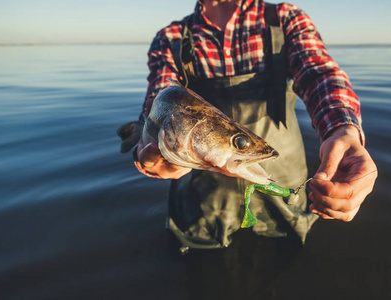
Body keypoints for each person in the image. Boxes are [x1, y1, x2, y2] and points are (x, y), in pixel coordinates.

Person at [120, 0, 377, 252]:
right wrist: (152, 151)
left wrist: (342, 130)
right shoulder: (171, 37)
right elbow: (161, 95)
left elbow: (319, 74)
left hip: (283, 196)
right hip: (204, 202)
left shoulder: (284, 18)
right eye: (239, 142)